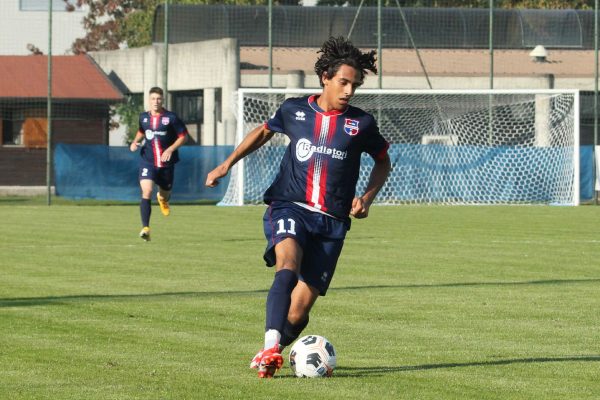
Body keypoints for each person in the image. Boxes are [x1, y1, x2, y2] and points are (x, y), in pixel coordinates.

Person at [206, 36, 391, 378]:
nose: (349, 91)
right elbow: (262, 133)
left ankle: (275, 348)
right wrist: (226, 164)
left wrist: (366, 198)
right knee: (287, 266)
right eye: (343, 82)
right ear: (325, 78)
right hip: (289, 206)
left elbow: (383, 161)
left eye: (355, 85)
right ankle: (272, 347)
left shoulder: (362, 124)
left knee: (299, 310)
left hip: (332, 223)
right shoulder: (294, 110)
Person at [130, 86, 188, 241]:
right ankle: (145, 228)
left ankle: (162, 199)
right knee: (146, 191)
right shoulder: (143, 117)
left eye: (159, 99)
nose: (156, 101)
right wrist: (135, 142)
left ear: (163, 100)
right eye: (153, 99)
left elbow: (183, 136)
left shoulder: (171, 118)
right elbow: (142, 131)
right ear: (149, 100)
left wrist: (170, 149)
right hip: (147, 161)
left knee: (165, 192)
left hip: (166, 163)